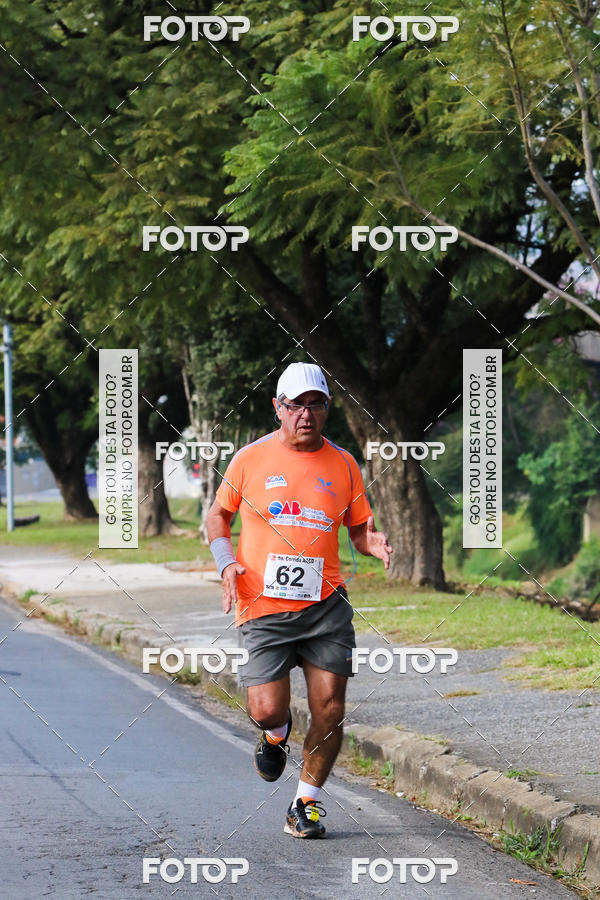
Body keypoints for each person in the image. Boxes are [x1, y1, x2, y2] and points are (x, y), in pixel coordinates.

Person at [206, 362, 392, 838]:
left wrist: (374, 544)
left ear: (327, 408)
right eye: (295, 405)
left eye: (315, 404)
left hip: (326, 605)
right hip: (262, 605)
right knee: (268, 707)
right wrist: (226, 562)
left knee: (330, 707)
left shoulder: (345, 464)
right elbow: (216, 520)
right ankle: (274, 734)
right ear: (278, 408)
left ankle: (304, 804)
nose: (305, 414)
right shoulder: (249, 460)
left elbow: (357, 528)